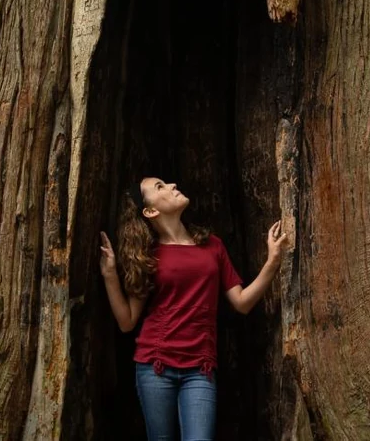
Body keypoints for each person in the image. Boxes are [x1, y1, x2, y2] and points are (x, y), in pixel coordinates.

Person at [99, 177, 290, 441]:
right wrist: (109, 274)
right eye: (160, 187)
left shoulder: (212, 246)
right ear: (150, 210)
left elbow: (242, 302)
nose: (172, 186)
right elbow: (127, 321)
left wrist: (273, 261)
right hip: (155, 367)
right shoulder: (147, 255)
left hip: (200, 369)